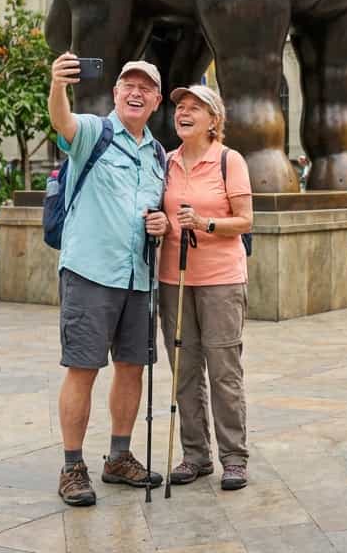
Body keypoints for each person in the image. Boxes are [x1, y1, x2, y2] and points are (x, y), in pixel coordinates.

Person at [48, 54, 170, 507]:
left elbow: (159, 211)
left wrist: (161, 224)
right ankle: (72, 466)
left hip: (139, 278)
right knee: (83, 368)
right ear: (116, 93)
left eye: (145, 87)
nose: (136, 92)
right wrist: (57, 85)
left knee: (132, 368)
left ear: (156, 100)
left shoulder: (158, 154)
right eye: (128, 85)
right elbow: (62, 121)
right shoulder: (94, 133)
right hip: (91, 272)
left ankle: (119, 457)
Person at [158, 85, 254, 492]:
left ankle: (234, 458)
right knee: (184, 371)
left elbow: (245, 220)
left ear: (213, 120)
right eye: (180, 106)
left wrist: (205, 223)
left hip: (220, 279)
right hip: (173, 278)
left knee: (223, 372)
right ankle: (195, 455)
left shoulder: (229, 161)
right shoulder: (165, 161)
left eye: (194, 107)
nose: (184, 112)